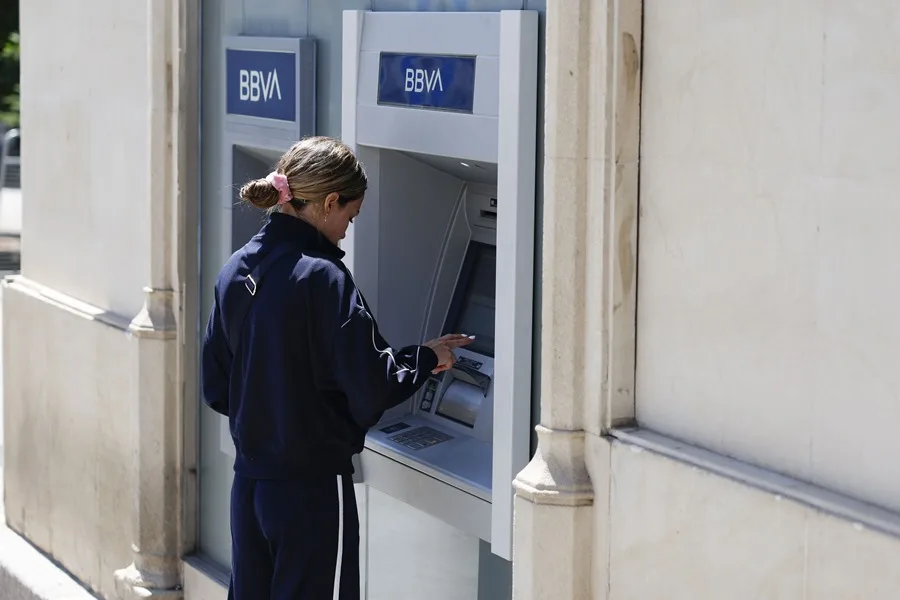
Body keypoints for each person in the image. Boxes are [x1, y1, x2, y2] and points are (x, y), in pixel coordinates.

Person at [201, 136, 473, 600]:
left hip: (249, 488)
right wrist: (425, 358)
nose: (347, 230)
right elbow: (368, 386)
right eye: (350, 216)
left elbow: (217, 389)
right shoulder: (323, 277)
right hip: (311, 492)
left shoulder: (238, 268)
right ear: (329, 202)